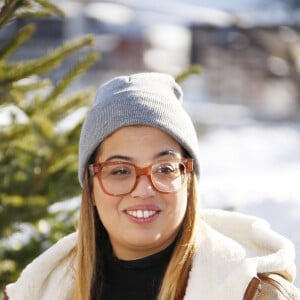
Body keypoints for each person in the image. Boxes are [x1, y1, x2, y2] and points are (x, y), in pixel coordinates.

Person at [4, 72, 300, 300]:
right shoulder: (37, 292)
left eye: (164, 168)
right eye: (119, 170)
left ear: (188, 180)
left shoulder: (253, 293)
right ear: (91, 187)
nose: (144, 189)